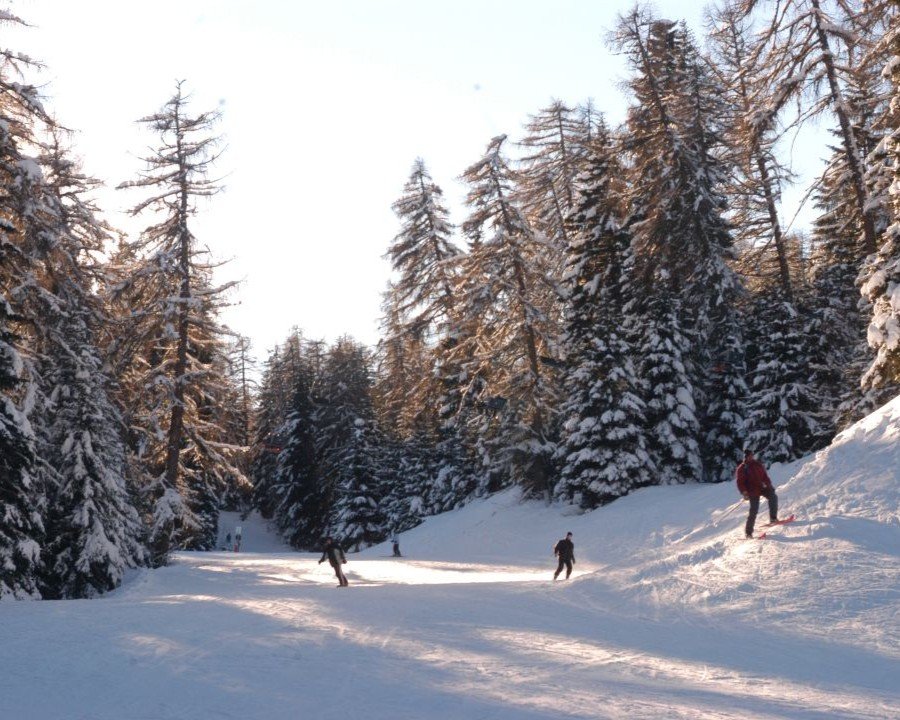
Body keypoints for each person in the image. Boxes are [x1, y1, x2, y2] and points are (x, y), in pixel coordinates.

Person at [736, 448, 779, 538]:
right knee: (753, 510)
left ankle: (773, 518)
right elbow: (740, 482)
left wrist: (768, 485)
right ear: (745, 457)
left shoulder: (757, 464)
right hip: (752, 491)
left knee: (773, 496)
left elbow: (765, 476)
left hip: (762, 488)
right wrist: (744, 492)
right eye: (749, 456)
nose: (751, 457)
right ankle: (748, 533)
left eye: (752, 455)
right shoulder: (742, 468)